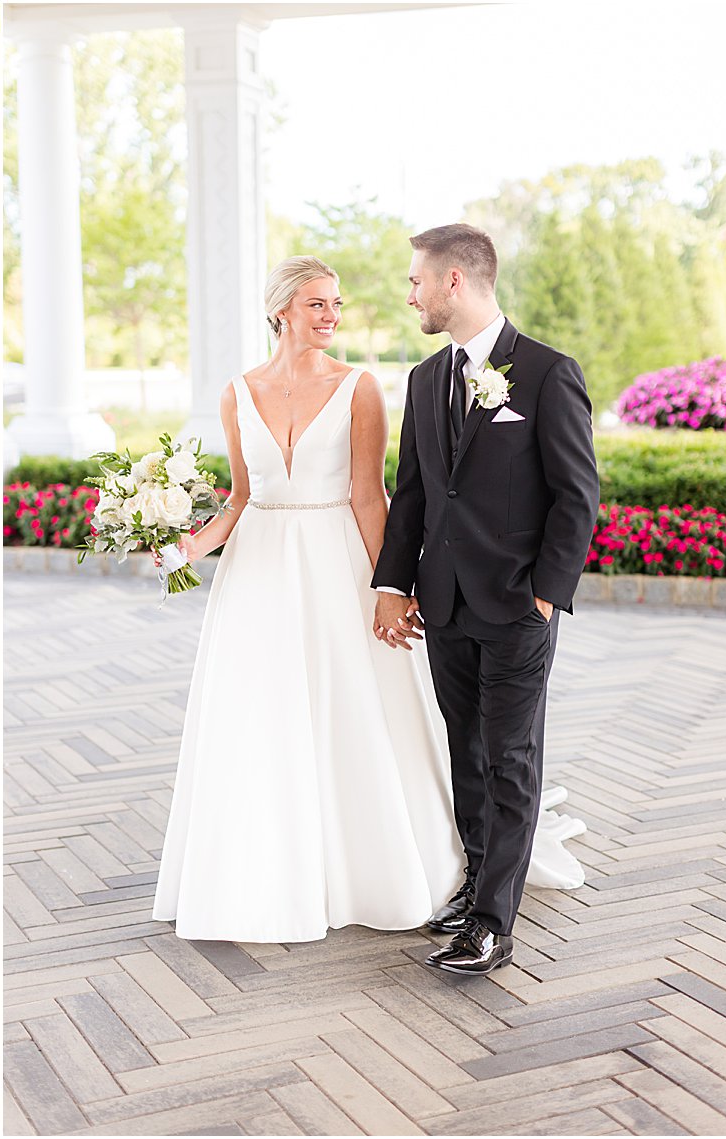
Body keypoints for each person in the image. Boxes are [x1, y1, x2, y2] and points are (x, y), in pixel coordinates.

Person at [151, 257, 467, 944]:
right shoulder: (237, 392)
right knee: (261, 715)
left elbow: (368, 495)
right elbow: (240, 497)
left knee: (348, 704)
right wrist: (185, 549)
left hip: (337, 565)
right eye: (318, 304)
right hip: (257, 571)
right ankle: (263, 873)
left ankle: (371, 869)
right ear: (282, 310)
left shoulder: (359, 388)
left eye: (336, 304)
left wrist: (393, 586)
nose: (332, 316)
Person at [372, 224, 599, 976]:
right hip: (444, 605)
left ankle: (496, 925)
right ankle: (475, 889)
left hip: (515, 607)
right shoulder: (423, 380)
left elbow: (577, 498)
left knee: (510, 759)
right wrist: (393, 584)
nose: (409, 293)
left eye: (416, 281)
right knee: (465, 756)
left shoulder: (545, 373)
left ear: (455, 283)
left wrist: (544, 598)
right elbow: (413, 498)